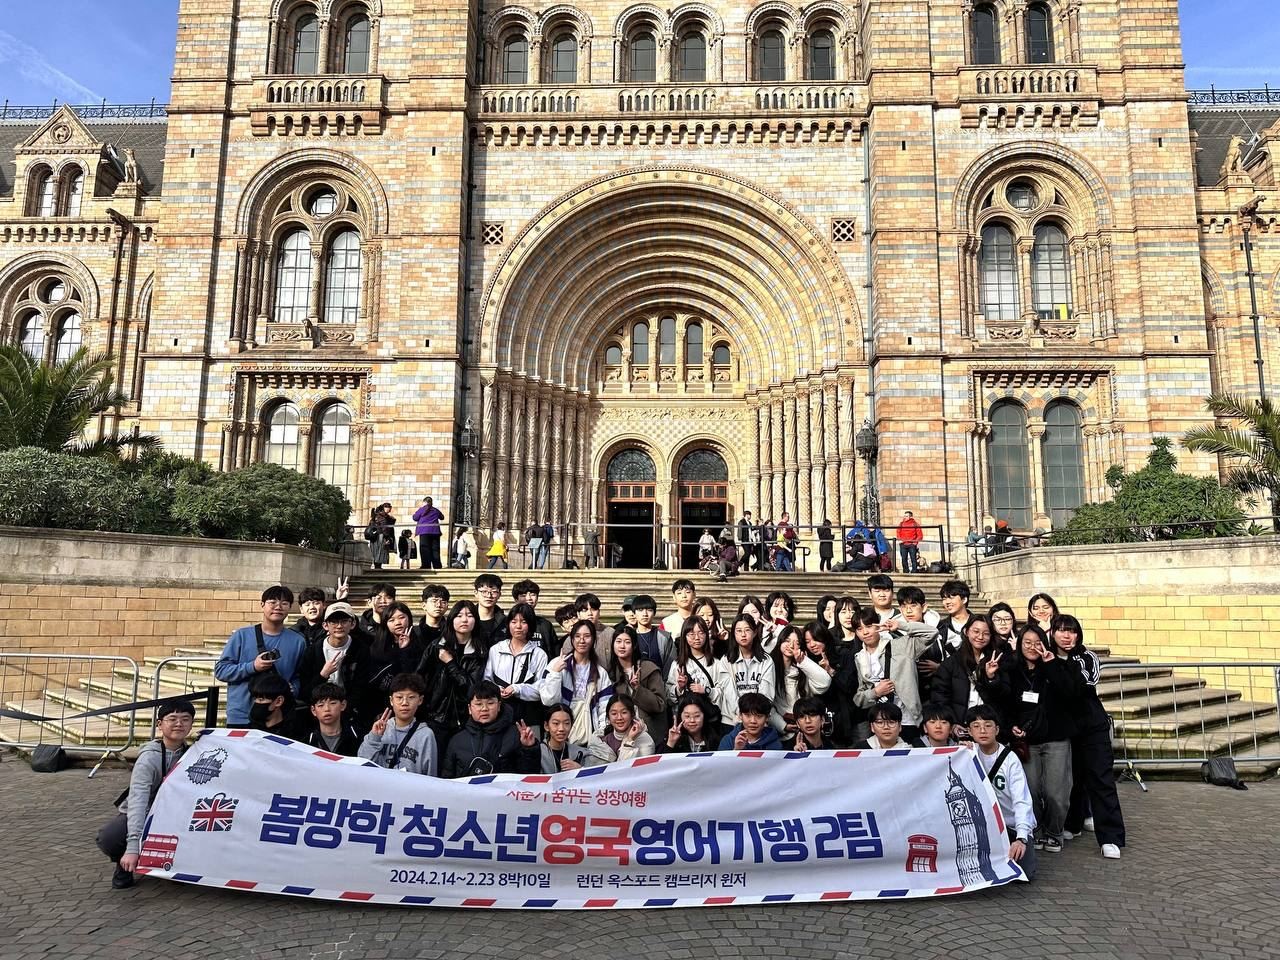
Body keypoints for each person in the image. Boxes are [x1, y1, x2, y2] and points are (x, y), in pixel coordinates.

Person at [984, 623, 1083, 854]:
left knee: (1056, 793)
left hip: (1056, 737)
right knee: (1031, 790)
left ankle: (1054, 832)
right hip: (1026, 741)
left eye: (1037, 643)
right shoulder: (1011, 668)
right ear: (1019, 645)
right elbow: (1001, 701)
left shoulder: (1057, 664)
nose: (1032, 647)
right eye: (1027, 643)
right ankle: (1035, 830)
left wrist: (1051, 665)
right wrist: (991, 677)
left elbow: (1070, 693)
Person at [95, 698, 194, 889]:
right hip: (148, 810)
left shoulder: (195, 753)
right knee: (110, 838)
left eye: (185, 719)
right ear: (159, 724)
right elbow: (138, 801)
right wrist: (132, 847)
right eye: (172, 719)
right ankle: (124, 864)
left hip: (178, 812)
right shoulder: (149, 758)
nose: (179, 724)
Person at [1051, 614, 1126, 860]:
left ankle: (1110, 837)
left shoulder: (1086, 657)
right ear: (1052, 633)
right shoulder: (1046, 657)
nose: (1066, 635)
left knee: (1101, 779)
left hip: (1092, 727)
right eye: (1061, 630)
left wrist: (1062, 663)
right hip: (1064, 729)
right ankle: (1072, 823)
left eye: (1071, 630)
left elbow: (1082, 685)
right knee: (1072, 779)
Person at [214, 585, 307, 727]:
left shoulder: (298, 641)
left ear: (290, 607)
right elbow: (221, 671)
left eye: (284, 603)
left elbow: (298, 676)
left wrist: (294, 687)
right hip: (242, 716)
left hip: (277, 717)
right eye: (272, 602)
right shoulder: (241, 635)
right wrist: (253, 667)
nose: (278, 607)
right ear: (262, 605)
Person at [966, 705, 1038, 879]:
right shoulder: (967, 754)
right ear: (969, 731)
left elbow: (1021, 800)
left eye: (988, 725)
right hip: (984, 826)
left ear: (997, 729)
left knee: (1024, 874)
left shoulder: (1010, 759)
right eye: (976, 726)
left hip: (1011, 826)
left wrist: (1021, 837)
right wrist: (959, 749)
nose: (982, 730)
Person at [851, 608, 936, 742]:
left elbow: (932, 633)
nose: (865, 632)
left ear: (878, 625)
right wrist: (875, 692)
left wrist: (901, 625)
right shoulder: (859, 658)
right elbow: (859, 698)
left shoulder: (901, 645)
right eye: (859, 629)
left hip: (907, 718)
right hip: (880, 721)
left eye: (869, 626)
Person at [421, 599, 489, 752]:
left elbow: (471, 687)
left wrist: (450, 663)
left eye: (469, 615)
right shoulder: (436, 646)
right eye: (459, 616)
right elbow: (420, 677)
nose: (464, 620)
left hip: (465, 718)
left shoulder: (480, 651)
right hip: (436, 715)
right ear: (451, 620)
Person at [441, 680, 541, 778]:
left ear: (499, 706)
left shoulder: (516, 735)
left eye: (490, 703)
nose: (484, 708)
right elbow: (447, 780)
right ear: (469, 708)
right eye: (478, 704)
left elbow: (529, 776)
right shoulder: (457, 740)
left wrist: (529, 748)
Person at [538, 619, 614, 746]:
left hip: (590, 735)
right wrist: (555, 673)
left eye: (587, 636)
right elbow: (548, 700)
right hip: (560, 732)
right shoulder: (556, 664)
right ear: (572, 639)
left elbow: (604, 708)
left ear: (593, 639)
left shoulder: (600, 673)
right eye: (577, 636)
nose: (582, 640)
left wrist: (600, 735)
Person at [483, 601, 550, 732]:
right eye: (514, 622)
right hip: (499, 715)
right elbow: (486, 679)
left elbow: (541, 689)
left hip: (528, 716)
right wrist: (497, 690)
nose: (518, 626)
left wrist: (517, 689)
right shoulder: (496, 650)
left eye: (523, 622)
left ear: (530, 625)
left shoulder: (538, 654)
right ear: (508, 624)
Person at [930, 617, 1002, 736]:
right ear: (966, 631)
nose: (980, 637)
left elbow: (1004, 696)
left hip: (987, 727)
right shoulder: (951, 663)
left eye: (986, 633)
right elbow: (940, 697)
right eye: (976, 631)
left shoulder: (998, 660)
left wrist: (991, 677)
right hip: (960, 725)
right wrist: (952, 723)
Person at [296, 600, 366, 722]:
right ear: (325, 625)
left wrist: (346, 710)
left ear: (353, 624)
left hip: (349, 710)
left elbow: (361, 687)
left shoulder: (361, 649)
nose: (339, 626)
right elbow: (305, 690)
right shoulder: (313, 651)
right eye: (334, 622)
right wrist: (323, 674)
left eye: (344, 621)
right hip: (318, 710)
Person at [358, 673, 438, 775]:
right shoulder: (381, 729)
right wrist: (374, 737)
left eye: (411, 697)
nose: (404, 703)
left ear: (420, 700)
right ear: (391, 700)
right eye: (399, 697)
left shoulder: (425, 735)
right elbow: (361, 763)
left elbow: (431, 776)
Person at [607, 626, 669, 743]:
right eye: (618, 642)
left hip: (650, 734)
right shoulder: (611, 674)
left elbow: (660, 704)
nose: (622, 646)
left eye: (627, 642)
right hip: (623, 736)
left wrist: (638, 689)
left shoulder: (648, 668)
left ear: (634, 645)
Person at [667, 615, 732, 719]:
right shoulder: (678, 664)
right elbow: (669, 696)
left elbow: (724, 693)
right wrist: (679, 687)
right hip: (686, 719)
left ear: (707, 634)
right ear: (684, 636)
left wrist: (706, 690)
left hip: (709, 718)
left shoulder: (716, 663)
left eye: (701, 633)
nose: (697, 638)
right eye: (691, 634)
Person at [803, 623, 857, 746]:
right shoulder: (806, 661)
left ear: (825, 638)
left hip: (845, 718)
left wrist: (830, 670)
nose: (812, 645)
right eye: (807, 642)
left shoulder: (843, 654)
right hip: (818, 720)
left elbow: (850, 686)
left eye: (816, 639)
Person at [774, 625, 833, 736]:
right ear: (780, 642)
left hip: (803, 728)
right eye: (787, 641)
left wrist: (803, 661)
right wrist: (782, 725)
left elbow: (824, 683)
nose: (791, 646)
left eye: (797, 643)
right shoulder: (770, 666)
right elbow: (766, 702)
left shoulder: (803, 669)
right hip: (777, 729)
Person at [725, 613, 776, 720]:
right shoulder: (726, 661)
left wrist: (754, 715)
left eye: (747, 630)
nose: (743, 634)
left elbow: (767, 693)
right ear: (733, 634)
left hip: (758, 719)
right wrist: (742, 715)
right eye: (739, 631)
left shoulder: (766, 661)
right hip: (732, 720)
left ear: (755, 632)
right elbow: (729, 693)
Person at [587, 694, 657, 765]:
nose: (619, 717)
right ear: (608, 717)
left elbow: (624, 768)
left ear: (632, 714)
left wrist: (629, 741)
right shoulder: (600, 740)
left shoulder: (645, 740)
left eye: (624, 712)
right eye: (614, 713)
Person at [303, 682, 361, 756]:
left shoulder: (358, 736)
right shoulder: (307, 742)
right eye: (321, 705)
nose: (327, 709)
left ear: (343, 705)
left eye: (333, 703)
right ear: (313, 710)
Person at [510, 579, 559, 658]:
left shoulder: (545, 625)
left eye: (533, 594)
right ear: (516, 599)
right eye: (523, 595)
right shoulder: (509, 624)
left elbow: (553, 652)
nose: (528, 598)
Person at [719, 692, 784, 751]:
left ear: (767, 717)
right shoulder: (728, 741)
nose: (753, 721)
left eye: (759, 716)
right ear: (740, 715)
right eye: (747, 715)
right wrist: (736, 750)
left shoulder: (774, 744)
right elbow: (721, 760)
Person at [247, 672, 300, 738]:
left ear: (279, 701)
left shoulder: (295, 735)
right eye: (255, 699)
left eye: (261, 699)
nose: (256, 702)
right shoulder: (249, 732)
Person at [631, 595, 674, 675]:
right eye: (640, 610)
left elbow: (671, 665)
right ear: (634, 613)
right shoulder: (629, 636)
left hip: (660, 681)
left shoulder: (664, 637)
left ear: (654, 613)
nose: (645, 614)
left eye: (649, 610)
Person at [539, 704, 589, 772]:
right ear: (546, 726)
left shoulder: (581, 753)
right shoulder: (538, 752)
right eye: (556, 723)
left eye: (566, 723)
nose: (561, 729)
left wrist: (580, 769)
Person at [472, 573, 507, 646]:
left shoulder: (506, 622)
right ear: (476, 593)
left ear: (499, 595)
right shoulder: (468, 620)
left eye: (494, 592)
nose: (489, 596)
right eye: (484, 592)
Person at [412, 583, 451, 649]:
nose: (438, 605)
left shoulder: (451, 633)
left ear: (447, 606)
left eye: (443, 602)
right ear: (424, 605)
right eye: (434, 601)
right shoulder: (414, 633)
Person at [413, 496, 445, 570]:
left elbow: (415, 517)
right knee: (435, 549)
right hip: (435, 531)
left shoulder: (422, 509)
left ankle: (426, 565)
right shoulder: (435, 510)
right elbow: (442, 517)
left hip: (424, 531)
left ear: (424, 502)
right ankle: (437, 565)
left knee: (424, 549)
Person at [365, 505, 392, 570]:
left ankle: (376, 565)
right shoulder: (382, 517)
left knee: (375, 551)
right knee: (380, 550)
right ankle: (378, 566)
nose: (389, 509)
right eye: (388, 508)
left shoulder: (374, 517)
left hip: (373, 536)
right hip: (380, 536)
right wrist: (388, 538)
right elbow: (384, 529)